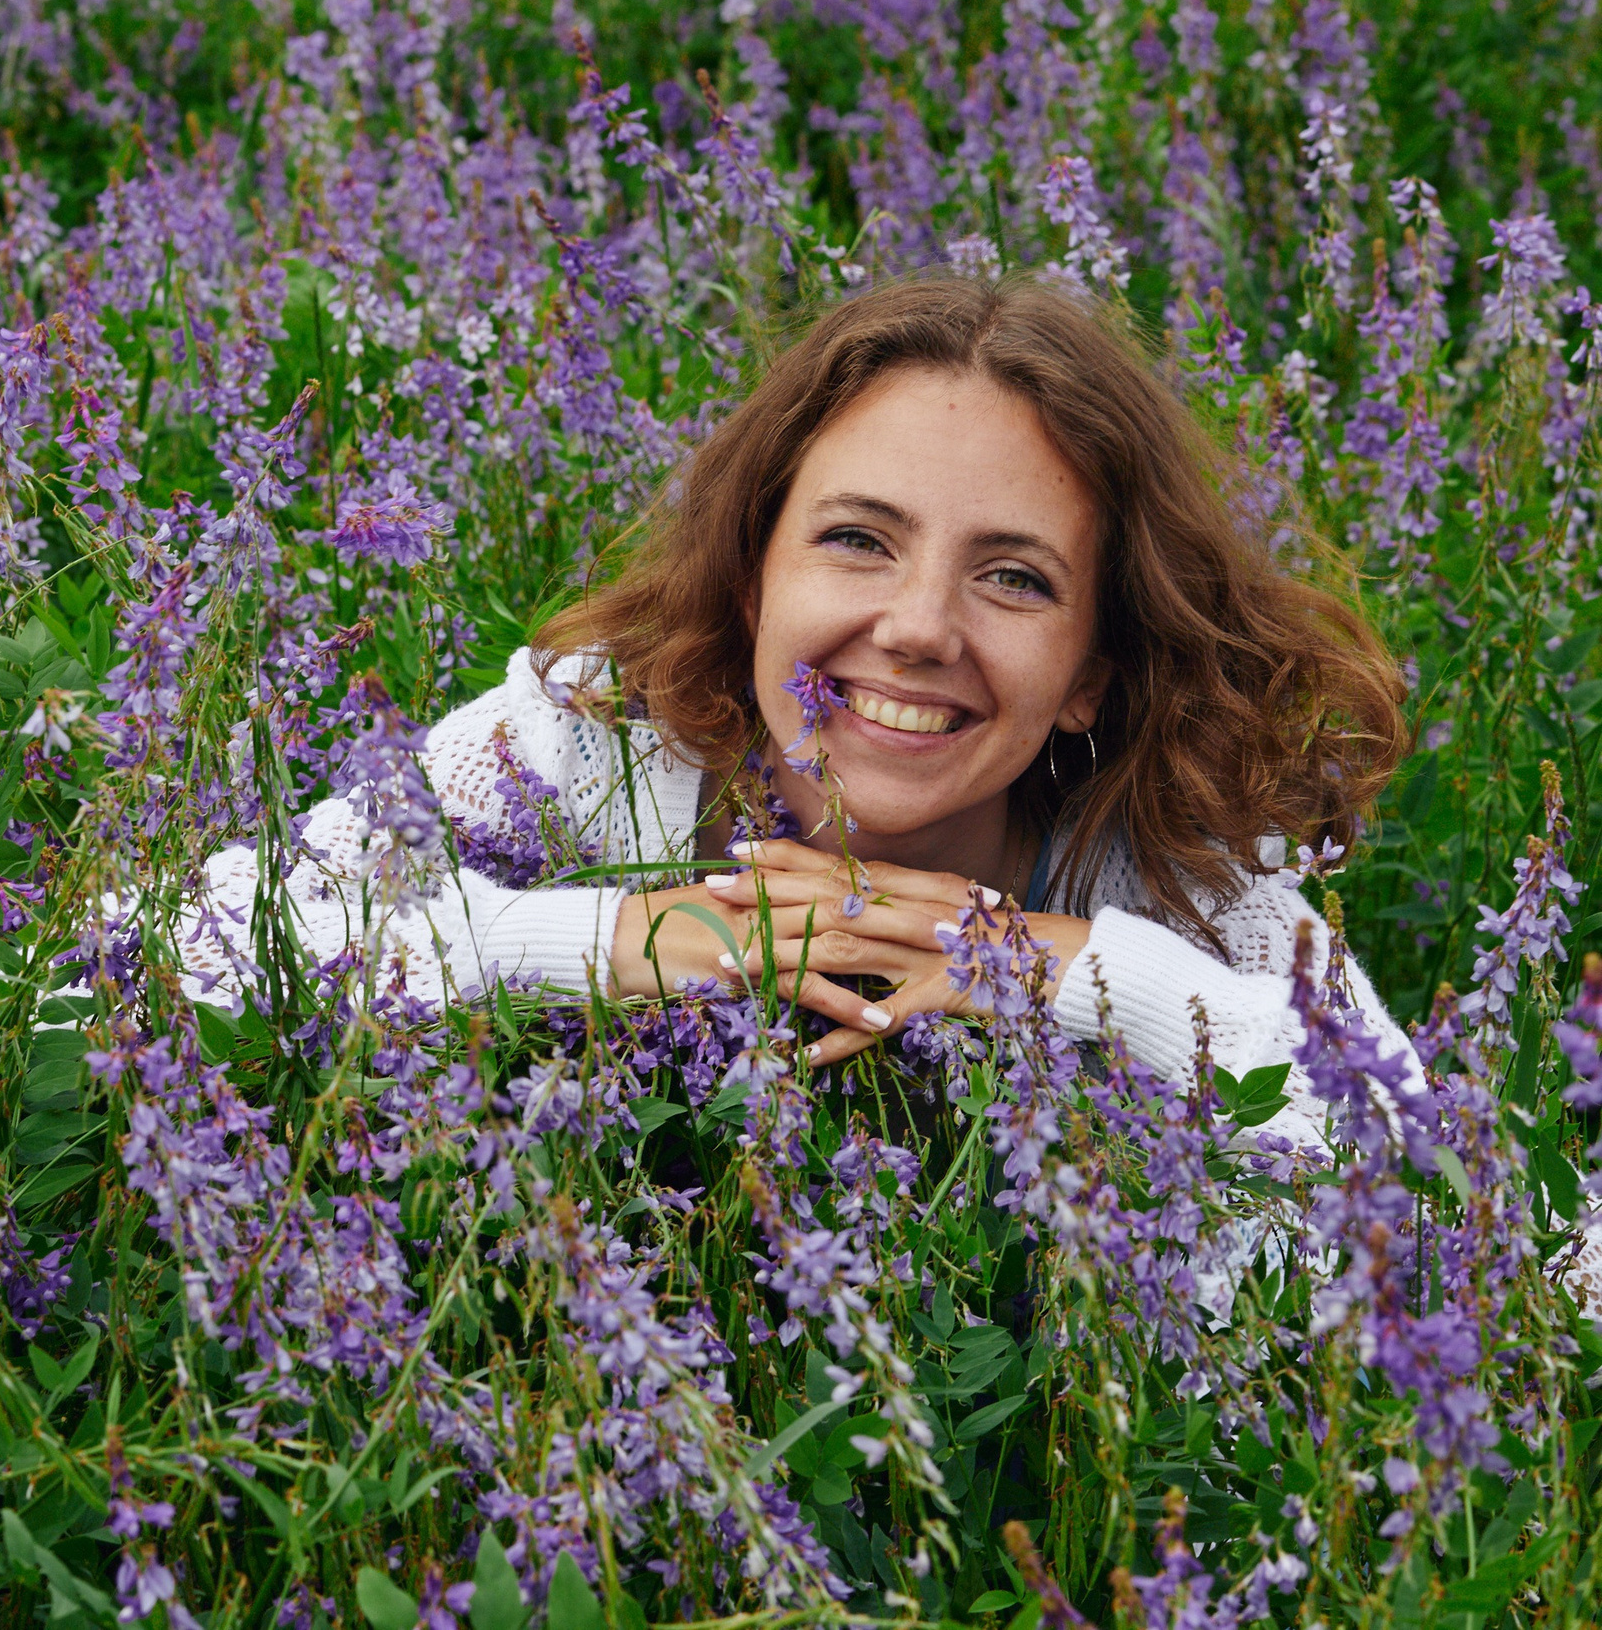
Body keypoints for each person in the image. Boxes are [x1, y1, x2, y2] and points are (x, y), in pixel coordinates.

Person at [185, 274, 1421, 1161]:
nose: (919, 627)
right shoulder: (600, 738)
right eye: (854, 540)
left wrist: (1086, 972)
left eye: (1014, 577)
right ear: (750, 575)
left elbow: (1476, 1213)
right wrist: (611, 939)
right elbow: (161, 950)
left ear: (1091, 674)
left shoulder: (1155, 859)